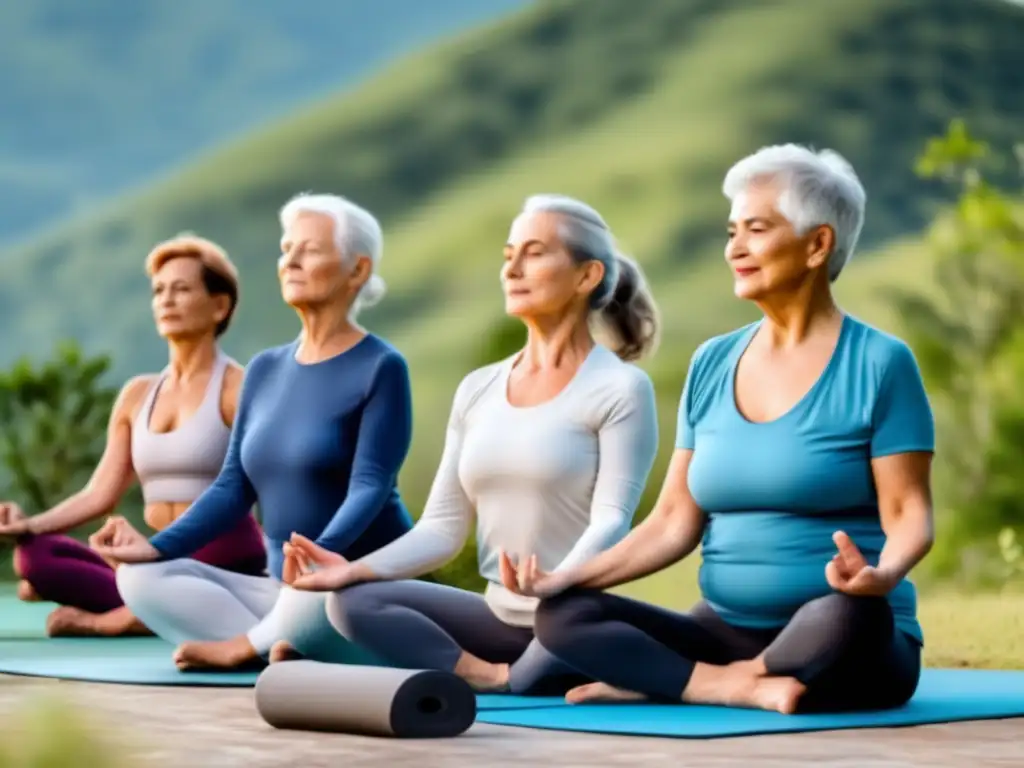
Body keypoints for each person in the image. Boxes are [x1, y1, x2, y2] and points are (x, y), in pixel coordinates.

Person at [510, 145, 935, 715]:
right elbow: (671, 522)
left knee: (848, 616)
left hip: (840, 631)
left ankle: (700, 681)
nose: (735, 248)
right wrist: (567, 578)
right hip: (722, 629)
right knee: (565, 616)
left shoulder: (881, 363)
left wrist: (883, 573)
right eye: (732, 231)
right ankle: (725, 683)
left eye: (756, 230)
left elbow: (909, 512)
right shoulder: (712, 362)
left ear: (817, 244)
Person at [281, 193, 662, 695]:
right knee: (353, 602)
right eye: (509, 256)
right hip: (496, 617)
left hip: (570, 616)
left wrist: (557, 582)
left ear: (587, 276)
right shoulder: (478, 388)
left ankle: (548, 671)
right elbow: (442, 528)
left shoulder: (620, 388)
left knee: (564, 637)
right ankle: (488, 677)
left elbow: (614, 519)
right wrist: (354, 569)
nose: (513, 269)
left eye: (535, 252)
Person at [87, 192, 415, 671]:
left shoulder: (381, 366)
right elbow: (232, 487)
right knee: (138, 579)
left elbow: (371, 486)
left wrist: (320, 557)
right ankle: (284, 641)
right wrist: (155, 547)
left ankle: (259, 644)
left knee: (315, 603)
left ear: (357, 271)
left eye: (310, 250)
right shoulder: (264, 369)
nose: (291, 261)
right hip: (280, 588)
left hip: (353, 584)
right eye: (287, 250)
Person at [0, 235, 266, 638]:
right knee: (36, 557)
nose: (166, 300)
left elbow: (271, 486)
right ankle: (150, 606)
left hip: (224, 556)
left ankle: (119, 619)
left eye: (182, 289)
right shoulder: (137, 394)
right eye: (159, 291)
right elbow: (99, 494)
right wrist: (28, 527)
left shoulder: (239, 388)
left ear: (219, 305)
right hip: (155, 556)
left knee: (163, 570)